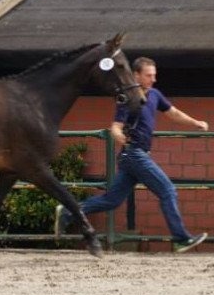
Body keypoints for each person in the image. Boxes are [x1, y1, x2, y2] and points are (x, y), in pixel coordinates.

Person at [55, 56, 209, 253]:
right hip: (134, 154)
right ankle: (181, 239)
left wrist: (196, 122)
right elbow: (115, 127)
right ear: (136, 75)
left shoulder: (154, 94)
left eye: (154, 75)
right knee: (168, 190)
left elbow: (173, 113)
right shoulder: (128, 98)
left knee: (112, 200)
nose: (153, 79)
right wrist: (119, 137)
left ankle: (69, 211)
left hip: (135, 156)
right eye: (148, 75)